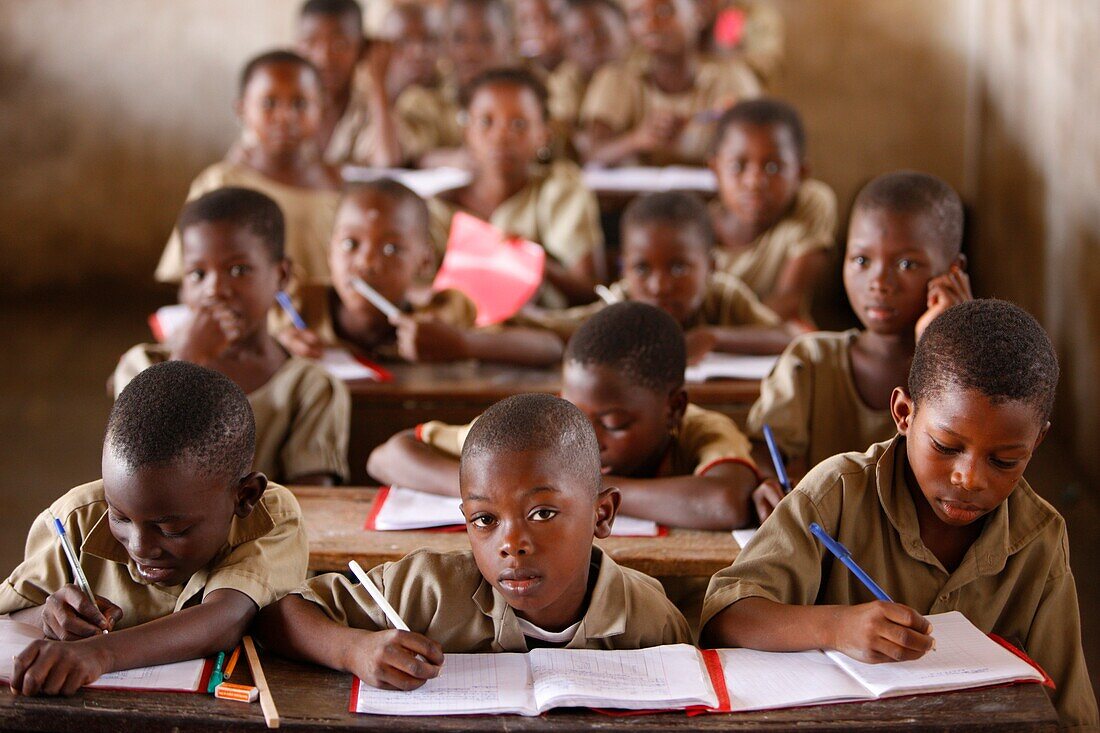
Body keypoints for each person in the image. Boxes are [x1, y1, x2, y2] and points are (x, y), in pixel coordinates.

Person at [700, 299, 1098, 730]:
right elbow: (728, 615)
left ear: (1036, 443)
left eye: (1004, 461)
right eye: (946, 447)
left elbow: (1068, 708)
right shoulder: (838, 492)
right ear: (904, 413)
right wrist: (835, 627)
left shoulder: (1038, 536)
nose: (969, 478)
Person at [256, 393, 691, 690]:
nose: (512, 543)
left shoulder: (650, 619)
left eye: (542, 513)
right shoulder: (425, 589)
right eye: (485, 519)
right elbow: (281, 615)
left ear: (602, 514)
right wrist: (354, 649)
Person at [1, 361, 308, 696]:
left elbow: (224, 618)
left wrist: (99, 653)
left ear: (244, 497)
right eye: (119, 517)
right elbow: (11, 616)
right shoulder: (77, 518)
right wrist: (47, 616)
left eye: (172, 529)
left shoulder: (269, 518)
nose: (140, 547)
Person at [369, 303, 764, 531]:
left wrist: (577, 489)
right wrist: (490, 495)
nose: (588, 437)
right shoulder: (541, 429)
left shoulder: (701, 427)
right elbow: (388, 456)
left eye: (614, 423)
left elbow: (726, 501)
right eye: (575, 411)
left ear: (673, 407)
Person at [747, 171, 972, 493]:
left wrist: (944, 350)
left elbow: (956, 470)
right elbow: (763, 450)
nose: (879, 282)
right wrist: (767, 481)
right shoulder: (810, 361)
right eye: (862, 260)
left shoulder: (964, 378)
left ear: (953, 273)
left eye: (906, 265)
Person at [117, 188, 350, 485]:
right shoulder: (140, 368)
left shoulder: (310, 388)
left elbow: (313, 502)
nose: (215, 289)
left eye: (238, 270)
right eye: (198, 274)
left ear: (281, 275)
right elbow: (138, 476)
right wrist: (184, 362)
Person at [276, 179, 563, 367]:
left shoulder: (443, 312)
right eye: (350, 244)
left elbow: (549, 348)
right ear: (330, 251)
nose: (367, 262)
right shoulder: (294, 309)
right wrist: (275, 348)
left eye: (391, 249)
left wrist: (461, 344)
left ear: (425, 260)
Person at [528, 191, 800, 358]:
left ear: (711, 267)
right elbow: (561, 326)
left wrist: (713, 337)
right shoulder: (621, 302)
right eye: (642, 268)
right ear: (624, 268)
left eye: (678, 267)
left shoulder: (724, 295)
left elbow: (788, 336)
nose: (659, 286)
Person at [155, 50, 341, 285]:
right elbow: (191, 278)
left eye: (299, 103)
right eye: (269, 103)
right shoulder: (221, 182)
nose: (284, 116)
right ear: (242, 109)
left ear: (322, 108)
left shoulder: (340, 186)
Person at [427, 68, 605, 307]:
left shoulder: (558, 190)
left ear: (544, 135)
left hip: (542, 333)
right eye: (486, 122)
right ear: (466, 132)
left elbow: (590, 291)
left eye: (519, 124)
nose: (501, 136)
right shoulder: (439, 209)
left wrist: (528, 260)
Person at [579, 0, 760, 166]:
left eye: (665, 11)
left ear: (698, 14)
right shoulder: (616, 79)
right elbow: (592, 153)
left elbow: (756, 145)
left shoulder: (732, 78)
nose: (650, 24)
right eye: (638, 15)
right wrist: (638, 139)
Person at [709, 98, 837, 323]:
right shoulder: (695, 229)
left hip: (770, 343)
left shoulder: (808, 204)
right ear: (715, 170)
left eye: (773, 167)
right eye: (738, 166)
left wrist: (722, 334)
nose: (755, 181)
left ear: (801, 172)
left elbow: (788, 301)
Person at [295, 0, 402, 166]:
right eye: (311, 43)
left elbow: (386, 162)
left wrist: (378, 83)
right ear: (297, 47)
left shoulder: (368, 107)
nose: (324, 58)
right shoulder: (283, 104)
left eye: (340, 44)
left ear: (362, 49)